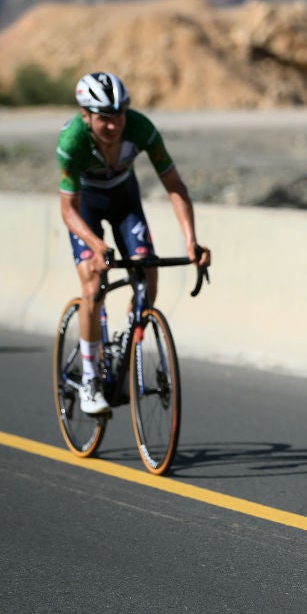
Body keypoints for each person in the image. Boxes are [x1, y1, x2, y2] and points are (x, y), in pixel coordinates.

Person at [58, 71, 211, 415]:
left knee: (148, 267)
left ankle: (129, 341)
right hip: (87, 206)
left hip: (125, 200)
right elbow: (67, 209)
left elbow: (175, 185)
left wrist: (192, 241)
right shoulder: (72, 142)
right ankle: (91, 378)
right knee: (94, 283)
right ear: (86, 116)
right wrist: (95, 244)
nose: (114, 127)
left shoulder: (141, 129)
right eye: (103, 119)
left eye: (119, 116)